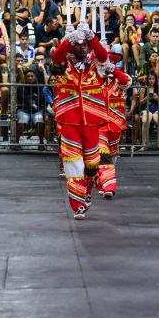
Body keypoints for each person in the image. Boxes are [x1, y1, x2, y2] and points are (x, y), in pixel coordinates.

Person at [51, 21, 109, 220]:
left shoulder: (96, 63)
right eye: (79, 44)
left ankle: (87, 191)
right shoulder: (63, 62)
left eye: (85, 45)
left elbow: (104, 55)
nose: (82, 48)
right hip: (69, 120)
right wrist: (68, 40)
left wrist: (91, 36)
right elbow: (55, 55)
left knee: (92, 165)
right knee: (73, 164)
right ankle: (78, 205)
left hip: (92, 121)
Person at [96, 53, 132, 200]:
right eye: (104, 61)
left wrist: (114, 71)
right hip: (99, 124)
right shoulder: (96, 80)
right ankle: (109, 187)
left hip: (116, 124)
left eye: (109, 61)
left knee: (112, 156)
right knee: (103, 155)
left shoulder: (122, 78)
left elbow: (126, 82)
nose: (106, 64)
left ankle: (103, 182)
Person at [15, 69, 45, 150]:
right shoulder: (21, 87)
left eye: (32, 76)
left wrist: (29, 98)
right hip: (23, 110)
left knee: (39, 120)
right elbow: (21, 98)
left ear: (35, 77)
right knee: (22, 120)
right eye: (28, 76)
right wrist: (33, 95)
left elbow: (40, 98)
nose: (30, 78)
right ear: (24, 77)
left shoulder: (39, 86)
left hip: (36, 111)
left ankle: (41, 143)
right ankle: (16, 143)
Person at [139, 73, 159, 152]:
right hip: (146, 108)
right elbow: (140, 102)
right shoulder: (144, 88)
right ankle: (144, 144)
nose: (151, 81)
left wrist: (156, 98)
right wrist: (147, 97)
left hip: (156, 108)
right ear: (147, 80)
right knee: (145, 121)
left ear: (155, 80)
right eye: (149, 79)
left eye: (153, 79)